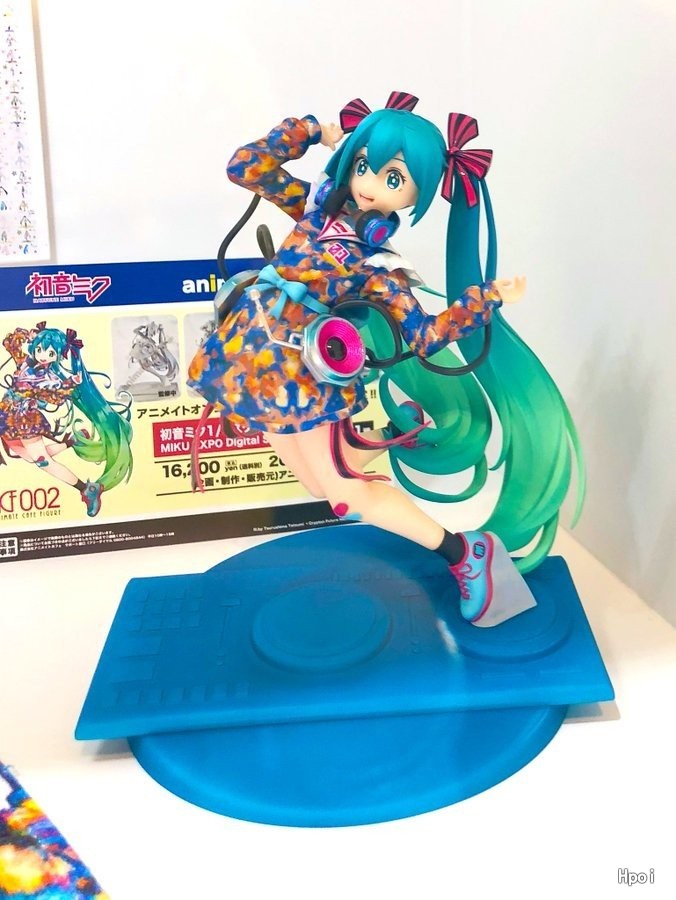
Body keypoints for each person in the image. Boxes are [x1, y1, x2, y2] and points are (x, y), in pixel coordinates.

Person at [188, 92, 582, 626]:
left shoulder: (381, 267)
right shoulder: (312, 208)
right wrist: (309, 130)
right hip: (248, 361)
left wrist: (485, 298)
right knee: (317, 486)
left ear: (417, 194)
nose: (370, 184)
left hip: (301, 377)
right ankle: (386, 438)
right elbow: (244, 166)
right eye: (364, 165)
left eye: (394, 178)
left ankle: (465, 553)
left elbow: (424, 337)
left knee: (345, 498)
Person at [0, 323, 133, 516]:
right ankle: (71, 442)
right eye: (40, 350)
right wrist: (28, 335)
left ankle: (87, 489)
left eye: (50, 353)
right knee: (28, 456)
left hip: (24, 420)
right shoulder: (25, 361)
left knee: (42, 461)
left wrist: (69, 383)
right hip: (6, 415)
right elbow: (10, 341)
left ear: (57, 356)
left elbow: (56, 396)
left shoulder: (49, 377)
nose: (43, 355)